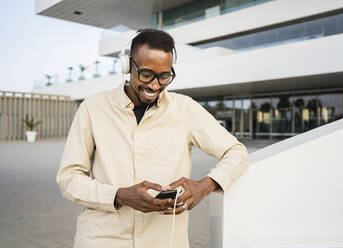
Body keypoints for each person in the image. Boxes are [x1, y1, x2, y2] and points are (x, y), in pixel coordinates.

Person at [57, 29, 249, 248]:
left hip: (165, 241)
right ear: (128, 66)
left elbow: (237, 152)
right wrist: (119, 195)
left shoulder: (185, 109)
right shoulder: (92, 108)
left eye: (164, 76)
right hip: (102, 239)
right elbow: (69, 179)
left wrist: (205, 186)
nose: (155, 85)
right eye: (146, 74)